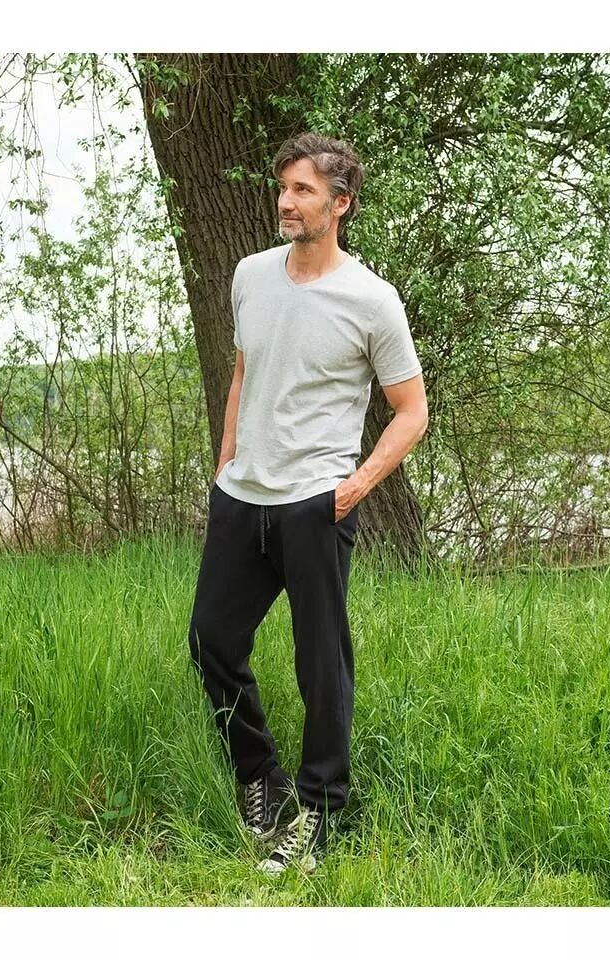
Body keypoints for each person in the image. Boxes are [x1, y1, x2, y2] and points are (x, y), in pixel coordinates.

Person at [186, 131, 429, 875]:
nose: (285, 202)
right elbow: (243, 372)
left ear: (340, 204)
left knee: (320, 664)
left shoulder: (371, 300)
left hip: (316, 503)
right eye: (283, 188)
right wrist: (226, 462)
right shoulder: (251, 275)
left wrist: (356, 484)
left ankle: (318, 813)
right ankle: (261, 776)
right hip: (242, 496)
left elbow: (411, 411)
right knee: (212, 640)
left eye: (303, 191)